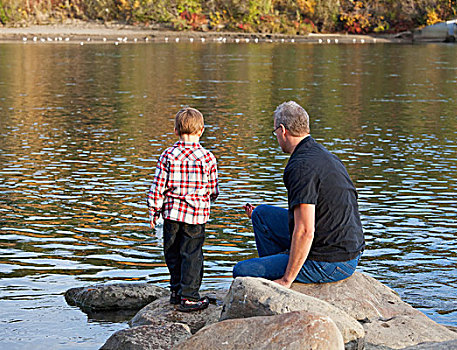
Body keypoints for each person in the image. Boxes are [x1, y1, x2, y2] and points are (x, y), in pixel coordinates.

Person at [233, 101, 365, 288]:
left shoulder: (300, 167)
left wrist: (287, 280)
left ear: (282, 130)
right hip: (344, 246)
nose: (276, 136)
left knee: (243, 271)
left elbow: (305, 230)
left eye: (275, 132)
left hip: (332, 261)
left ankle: (284, 273)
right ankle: (286, 259)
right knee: (261, 215)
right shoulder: (323, 154)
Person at [147, 107, 219, 312]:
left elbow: (157, 186)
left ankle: (176, 291)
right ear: (201, 130)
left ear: (176, 130)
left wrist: (153, 211)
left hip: (171, 214)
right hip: (196, 215)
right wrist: (208, 198)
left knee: (172, 252)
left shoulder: (168, 155)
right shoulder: (207, 158)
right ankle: (189, 296)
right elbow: (213, 189)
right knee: (192, 254)